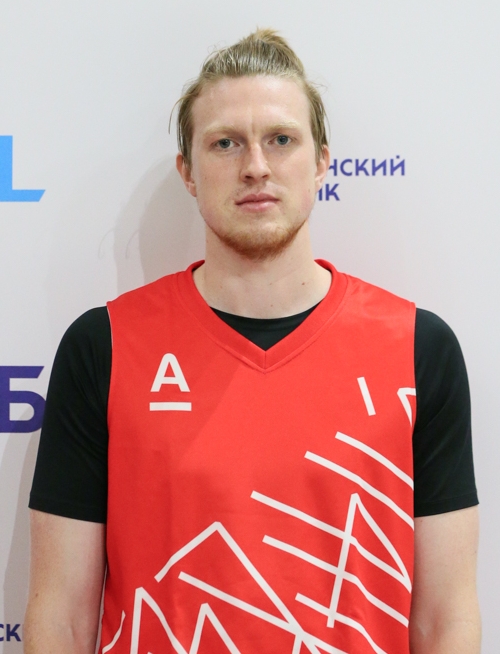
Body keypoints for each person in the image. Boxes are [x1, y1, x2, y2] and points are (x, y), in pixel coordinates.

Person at [24, 29, 480, 653]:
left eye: (281, 139)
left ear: (321, 162)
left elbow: (446, 619)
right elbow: (61, 620)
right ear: (188, 172)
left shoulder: (419, 349)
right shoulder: (103, 348)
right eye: (226, 143)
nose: (256, 166)